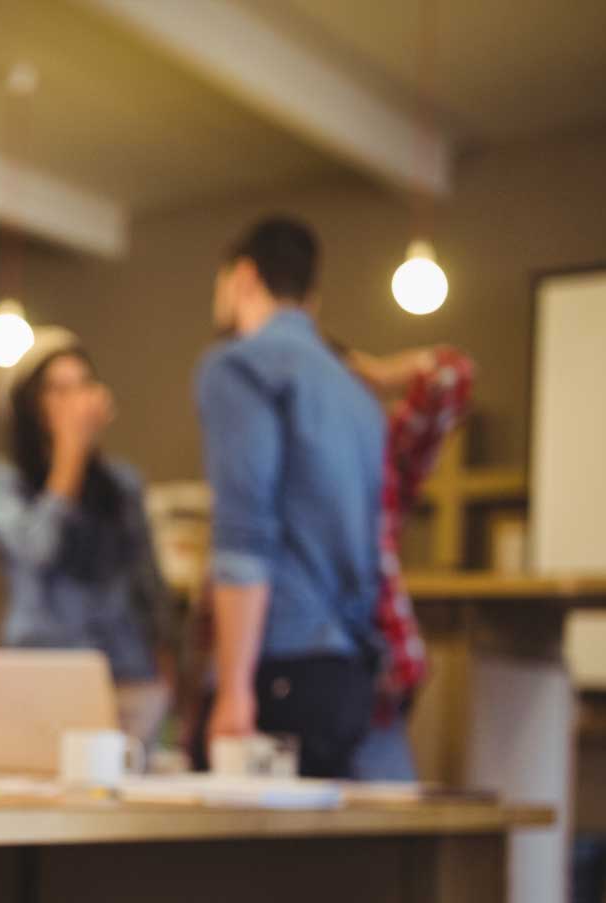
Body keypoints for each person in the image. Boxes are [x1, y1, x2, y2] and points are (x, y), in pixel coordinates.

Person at [195, 215, 385, 779]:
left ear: (244, 277)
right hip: (346, 669)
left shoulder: (239, 366)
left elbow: (244, 532)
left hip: (277, 667)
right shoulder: (356, 392)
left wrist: (233, 689)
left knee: (233, 866)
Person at [0, 327, 176, 743]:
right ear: (29, 405)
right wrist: (69, 453)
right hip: (41, 676)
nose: (74, 402)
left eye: (83, 385)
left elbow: (147, 580)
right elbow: (37, 548)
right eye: (57, 390)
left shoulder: (122, 483)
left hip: (125, 674)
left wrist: (168, 662)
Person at [340, 344, 476, 781]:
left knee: (384, 829)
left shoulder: (379, 456)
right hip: (294, 681)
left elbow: (451, 376)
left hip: (375, 680)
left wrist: (377, 370)